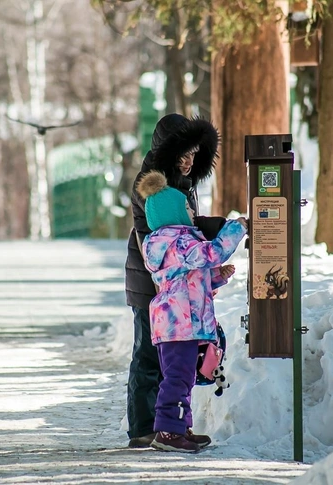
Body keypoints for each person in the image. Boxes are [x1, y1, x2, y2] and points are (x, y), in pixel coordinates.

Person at [124, 113, 227, 448]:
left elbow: (190, 227)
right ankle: (143, 428)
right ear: (168, 151)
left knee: (171, 361)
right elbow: (153, 237)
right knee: (148, 356)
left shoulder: (183, 183)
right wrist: (161, 285)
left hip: (173, 285)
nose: (189, 161)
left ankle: (169, 426)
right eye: (183, 153)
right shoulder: (152, 184)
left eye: (195, 154)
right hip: (152, 283)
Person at [135, 170, 247, 452]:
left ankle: (180, 427)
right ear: (173, 212)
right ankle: (168, 433)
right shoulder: (179, 241)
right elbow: (212, 253)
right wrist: (237, 228)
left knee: (182, 377)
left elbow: (189, 279)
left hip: (176, 322)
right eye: (186, 207)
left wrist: (217, 277)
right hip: (180, 324)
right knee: (178, 378)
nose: (191, 212)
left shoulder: (167, 244)